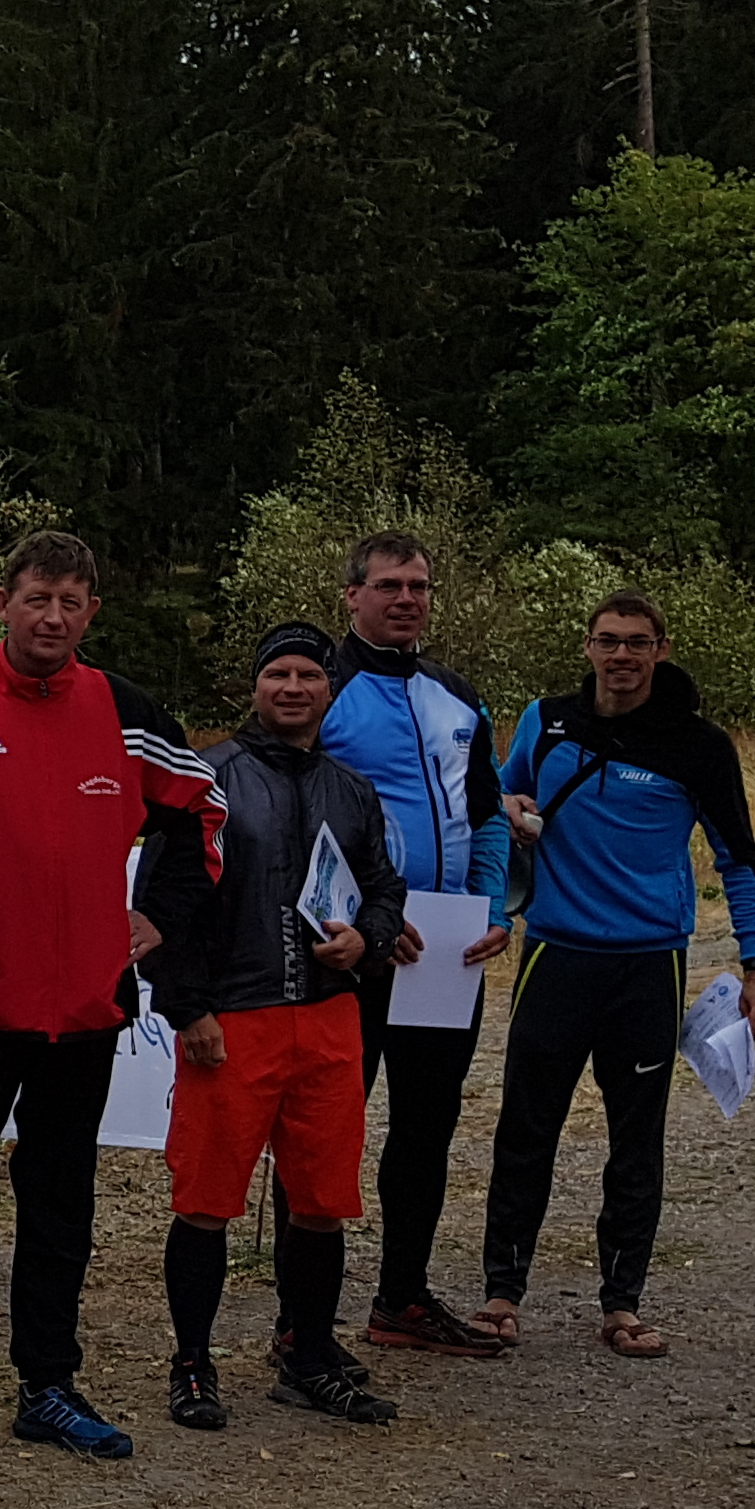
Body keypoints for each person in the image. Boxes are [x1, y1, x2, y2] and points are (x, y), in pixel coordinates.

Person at [0, 532, 221, 1462]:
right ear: (3, 604)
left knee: (61, 1206)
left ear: (92, 612)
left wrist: (158, 915)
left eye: (71, 602)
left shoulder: (128, 713)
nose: (53, 618)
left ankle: (49, 1386)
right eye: (37, 599)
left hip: (87, 1013)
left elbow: (202, 810)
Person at [475, 593, 755, 1357]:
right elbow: (496, 804)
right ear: (587, 647)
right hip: (556, 954)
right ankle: (501, 1294)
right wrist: (506, 815)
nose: (621, 655)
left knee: (636, 1139)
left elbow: (739, 858)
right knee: (525, 1130)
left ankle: (622, 1304)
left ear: (660, 651)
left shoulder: (699, 746)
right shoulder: (547, 722)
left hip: (649, 963)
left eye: (637, 643)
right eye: (608, 641)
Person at [143, 624, 408, 1430]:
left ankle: (309, 1354)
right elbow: (160, 908)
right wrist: (189, 1008)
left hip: (329, 1019)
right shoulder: (209, 779)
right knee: (206, 1201)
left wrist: (369, 938)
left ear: (330, 691)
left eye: (308, 677)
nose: (292, 689)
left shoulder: (352, 790)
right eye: (277, 675)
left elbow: (384, 889)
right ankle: (193, 1364)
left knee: (323, 1201)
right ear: (255, 686)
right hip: (233, 1020)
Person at [316, 533, 515, 1356]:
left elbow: (489, 814)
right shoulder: (321, 686)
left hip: (446, 949)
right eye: (390, 585)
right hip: (355, 950)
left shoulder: (457, 696)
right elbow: (296, 821)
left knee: (427, 1126)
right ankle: (303, 1321)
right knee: (330, 1128)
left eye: (420, 586)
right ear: (352, 595)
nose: (407, 600)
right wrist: (363, 919)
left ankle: (401, 1298)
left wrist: (493, 905)